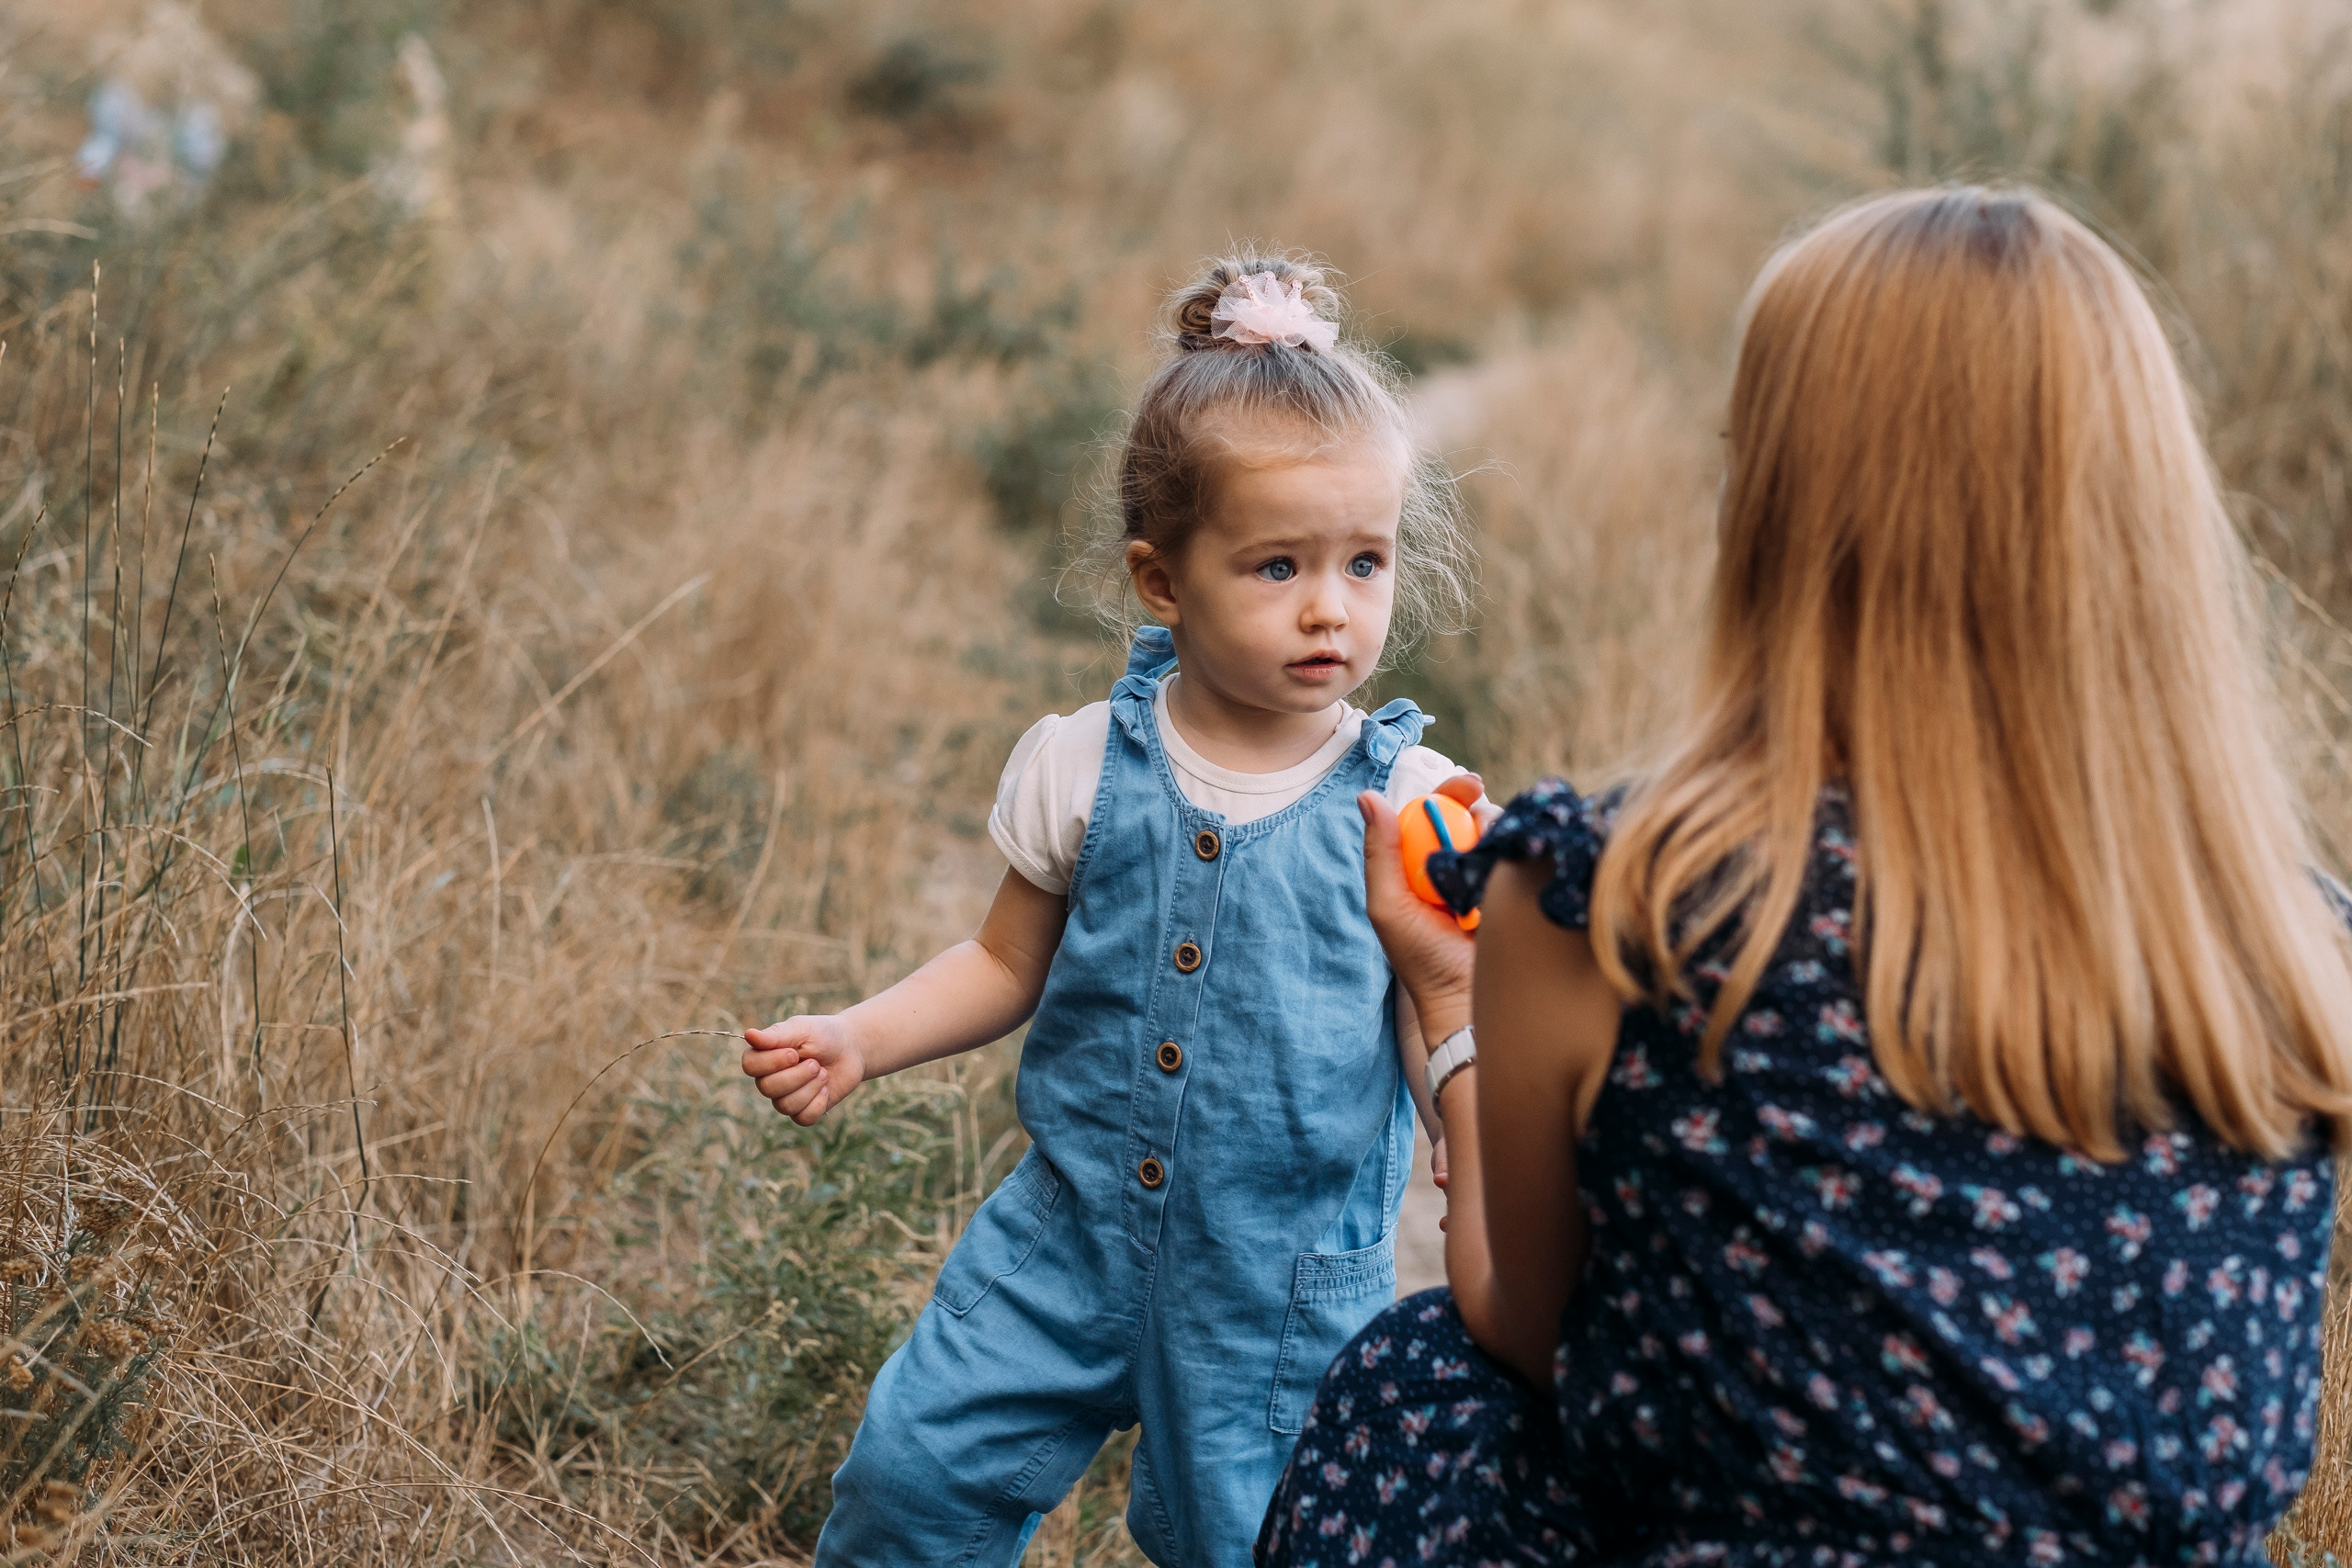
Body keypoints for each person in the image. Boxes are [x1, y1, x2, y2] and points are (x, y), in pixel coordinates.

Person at [1257, 186, 2352, 1567]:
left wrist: (1452, 1001)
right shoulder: (2292, 944)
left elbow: (1525, 1327)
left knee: (1417, 1385)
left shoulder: (1616, 904)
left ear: (1780, 514)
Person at [743, 253, 1483, 1566]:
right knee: (913, 1479)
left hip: (1278, 1301)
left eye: (1364, 563)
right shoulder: (1083, 762)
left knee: (1259, 1543)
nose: (1331, 608)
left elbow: (1436, 1009)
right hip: (1064, 1242)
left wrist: (1463, 1135)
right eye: (1277, 567)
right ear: (1163, 581)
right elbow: (1001, 963)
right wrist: (861, 1038)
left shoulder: (1408, 801)